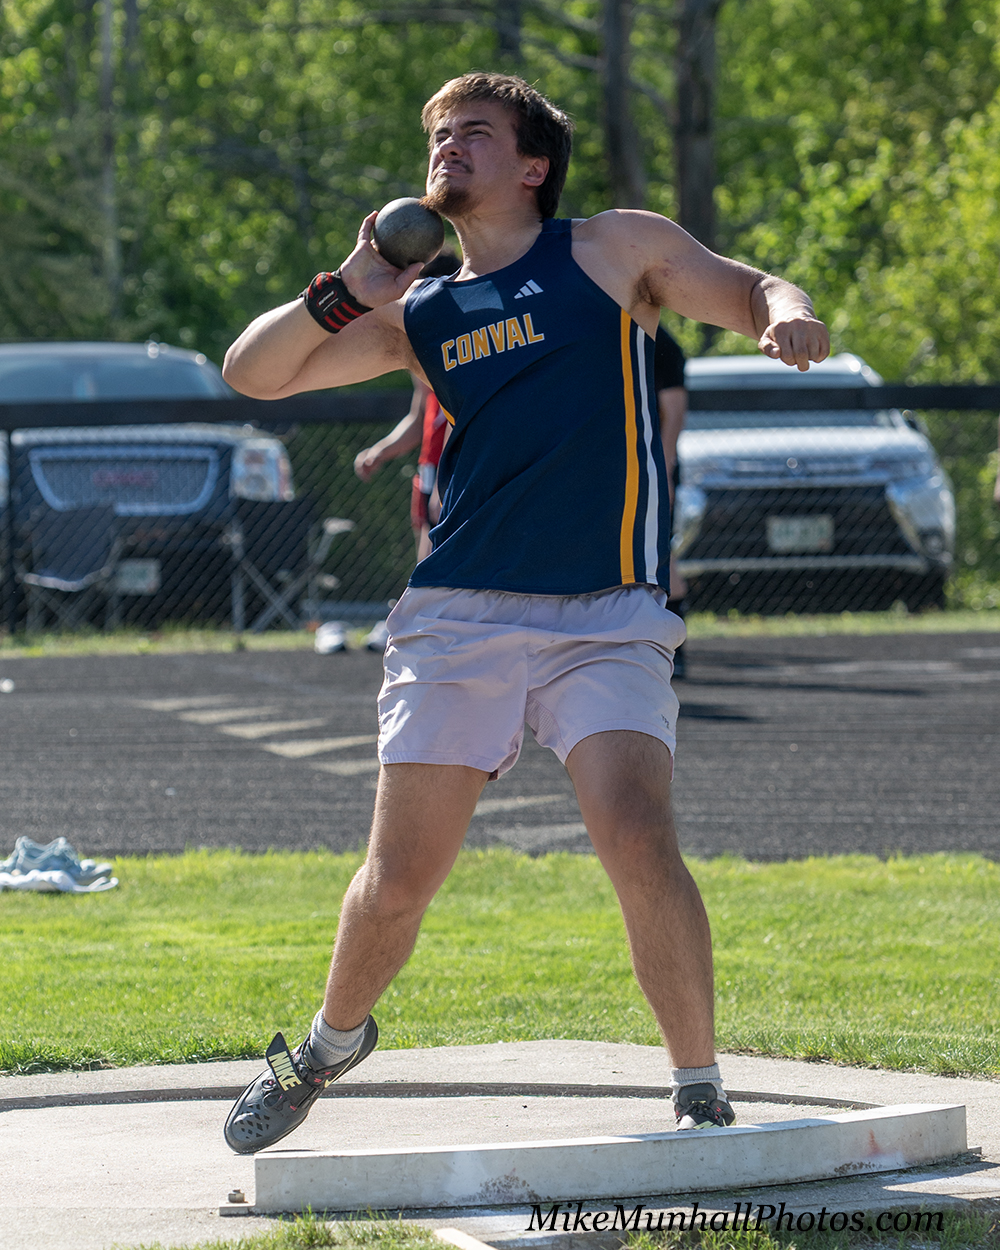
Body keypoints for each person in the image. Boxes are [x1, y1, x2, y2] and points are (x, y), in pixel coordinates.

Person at [220, 71, 829, 1155]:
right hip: (460, 612)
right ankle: (324, 1046)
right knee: (398, 880)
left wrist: (788, 315)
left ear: (534, 164)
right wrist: (348, 285)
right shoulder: (420, 310)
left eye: (475, 133)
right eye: (437, 137)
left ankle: (697, 1084)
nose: (447, 148)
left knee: (637, 833)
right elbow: (254, 374)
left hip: (608, 612)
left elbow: (751, 287)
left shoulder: (611, 249)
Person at [654, 327, 689, 676]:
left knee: (661, 551)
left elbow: (674, 410)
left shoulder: (661, 344)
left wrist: (663, 468)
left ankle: (677, 651)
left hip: (651, 466)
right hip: (617, 465)